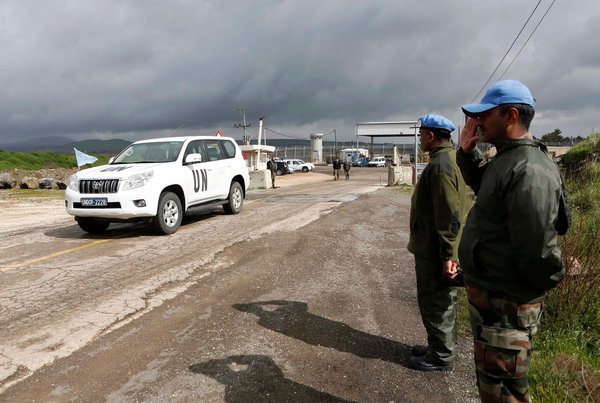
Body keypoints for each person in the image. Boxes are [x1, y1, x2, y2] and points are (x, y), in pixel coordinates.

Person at [457, 80, 570, 402]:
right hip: (494, 298)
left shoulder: (530, 169)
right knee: (493, 384)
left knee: (505, 392)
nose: (478, 123)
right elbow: (489, 193)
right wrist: (467, 154)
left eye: (485, 115)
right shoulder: (506, 158)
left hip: (508, 302)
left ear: (510, 116)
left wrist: (533, 288)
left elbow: (536, 248)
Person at [407, 114, 467, 372]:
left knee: (436, 301)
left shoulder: (441, 166)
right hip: (434, 247)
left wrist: (448, 256)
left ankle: (441, 356)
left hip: (435, 250)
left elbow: (449, 215)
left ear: (431, 136)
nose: (420, 139)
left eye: (421, 134)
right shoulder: (445, 160)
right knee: (438, 300)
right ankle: (438, 346)